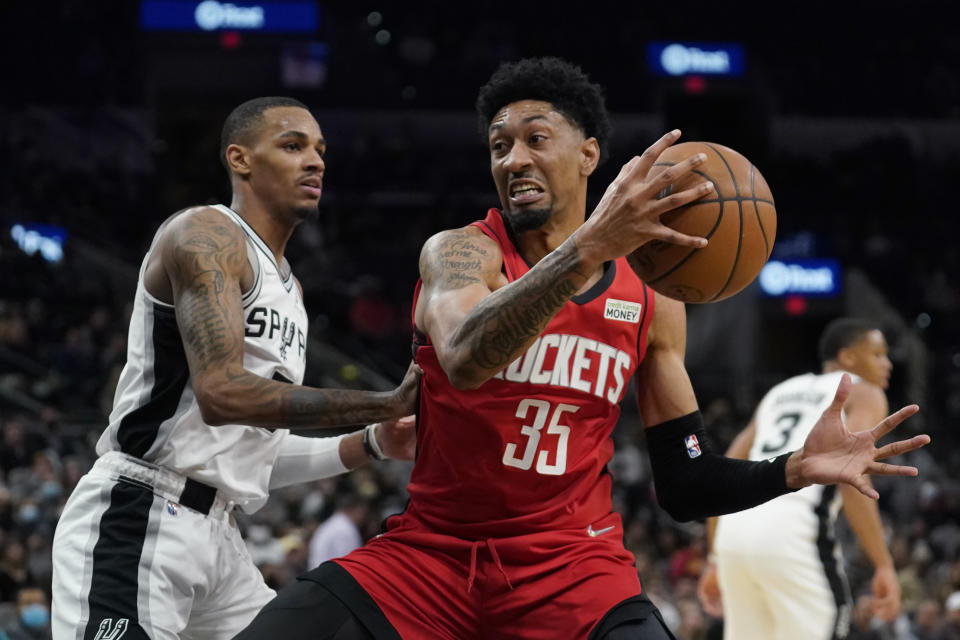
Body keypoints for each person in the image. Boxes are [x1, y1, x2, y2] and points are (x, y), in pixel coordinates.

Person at [237, 57, 929, 639]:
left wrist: (794, 469)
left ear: (590, 154)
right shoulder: (460, 253)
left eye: (537, 138)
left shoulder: (653, 297)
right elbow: (468, 357)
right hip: (431, 557)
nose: (514, 158)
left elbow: (684, 485)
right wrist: (589, 246)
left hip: (573, 570)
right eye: (499, 145)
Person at [50, 97, 421, 640]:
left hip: (220, 536)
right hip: (140, 515)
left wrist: (372, 441)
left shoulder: (290, 289)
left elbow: (252, 453)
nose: (315, 161)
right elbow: (221, 395)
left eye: (320, 150)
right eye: (293, 146)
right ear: (240, 159)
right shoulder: (208, 235)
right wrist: (382, 401)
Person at [698, 318, 905, 639]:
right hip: (791, 536)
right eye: (877, 354)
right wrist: (884, 564)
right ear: (848, 357)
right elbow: (852, 475)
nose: (887, 363)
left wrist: (715, 556)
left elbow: (723, 471)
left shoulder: (781, 391)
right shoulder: (864, 393)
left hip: (734, 538)